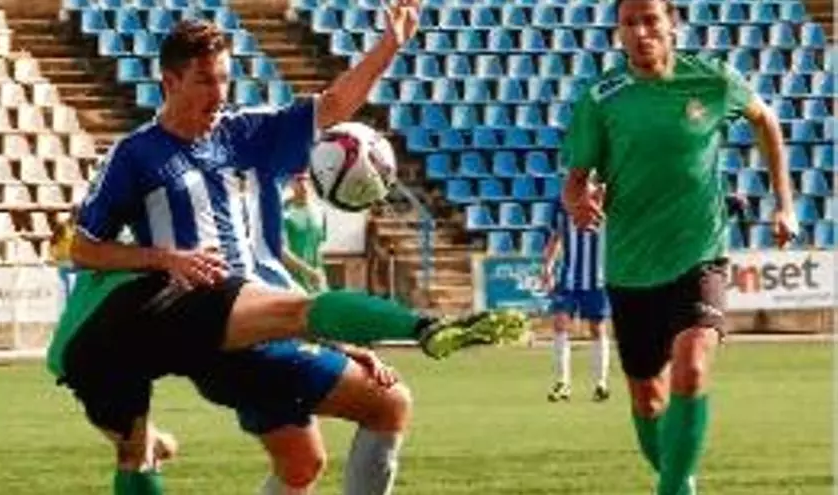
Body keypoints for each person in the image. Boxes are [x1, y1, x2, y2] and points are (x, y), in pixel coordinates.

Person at [45, 5, 529, 495]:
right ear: (169, 82)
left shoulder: (247, 134)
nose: (219, 93)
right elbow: (84, 248)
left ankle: (406, 329)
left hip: (263, 320)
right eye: (205, 81)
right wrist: (164, 259)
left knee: (301, 465)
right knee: (389, 403)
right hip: (213, 322)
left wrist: (390, 46)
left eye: (225, 79)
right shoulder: (135, 155)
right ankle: (425, 327)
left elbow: (334, 105)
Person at [561, 0, 798, 494]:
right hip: (630, 265)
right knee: (648, 400)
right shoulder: (602, 97)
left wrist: (784, 204)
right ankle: (681, 485)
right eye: (629, 23)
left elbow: (766, 122)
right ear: (618, 33)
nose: (640, 31)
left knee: (691, 368)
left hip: (700, 252)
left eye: (650, 20)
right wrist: (579, 203)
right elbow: (576, 180)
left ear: (673, 24)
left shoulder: (713, 80)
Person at [542, 189, 611, 403]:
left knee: (597, 328)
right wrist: (548, 267)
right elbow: (555, 236)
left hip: (598, 279)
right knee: (560, 323)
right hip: (568, 277)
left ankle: (601, 383)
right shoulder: (560, 201)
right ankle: (563, 382)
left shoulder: (607, 199)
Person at [281, 172, 329, 294]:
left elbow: (318, 247)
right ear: (291, 183)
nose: (303, 184)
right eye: (298, 180)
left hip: (317, 283)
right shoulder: (283, 212)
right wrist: (308, 271)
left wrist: (319, 275)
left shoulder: (320, 211)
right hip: (292, 284)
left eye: (306, 179)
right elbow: (281, 251)